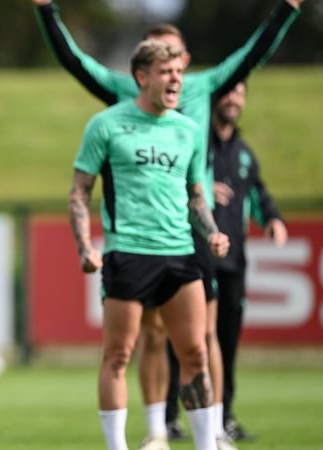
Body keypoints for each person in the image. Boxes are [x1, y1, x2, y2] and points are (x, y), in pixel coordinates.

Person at [31, 1, 305, 447]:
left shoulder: (200, 95)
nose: (174, 74)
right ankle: (156, 430)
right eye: (163, 62)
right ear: (144, 70)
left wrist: (287, 10)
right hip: (131, 244)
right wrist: (47, 10)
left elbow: (252, 55)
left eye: (177, 62)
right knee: (139, 343)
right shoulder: (114, 107)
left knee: (200, 342)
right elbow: (74, 62)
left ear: (186, 60)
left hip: (186, 239)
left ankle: (212, 433)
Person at [67, 38, 230, 450]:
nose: (177, 79)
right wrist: (85, 246)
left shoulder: (188, 130)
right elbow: (79, 192)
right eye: (166, 71)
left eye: (179, 71)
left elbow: (196, 195)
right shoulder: (105, 124)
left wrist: (210, 230)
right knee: (119, 355)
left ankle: (208, 444)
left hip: (180, 253)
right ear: (143, 77)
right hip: (128, 253)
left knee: (194, 352)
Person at [209, 81, 287, 441]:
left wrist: (272, 219)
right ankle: (169, 417)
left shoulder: (244, 154)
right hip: (198, 259)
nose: (234, 99)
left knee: (227, 341)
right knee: (188, 341)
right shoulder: (196, 146)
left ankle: (224, 416)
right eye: (228, 92)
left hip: (234, 263)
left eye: (240, 93)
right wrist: (202, 188)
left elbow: (259, 194)